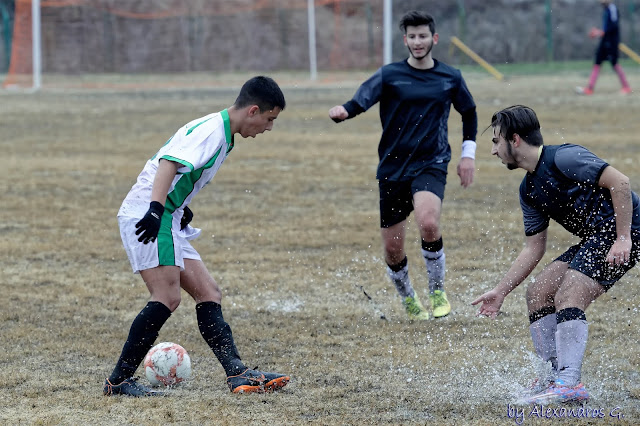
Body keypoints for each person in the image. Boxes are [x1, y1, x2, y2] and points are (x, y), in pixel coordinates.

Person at [104, 76, 290, 397]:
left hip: (167, 215)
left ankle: (237, 372)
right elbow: (167, 164)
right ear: (253, 111)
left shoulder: (222, 131)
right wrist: (155, 209)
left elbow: (180, 171)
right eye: (269, 119)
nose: (269, 127)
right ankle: (119, 380)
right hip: (150, 216)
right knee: (167, 297)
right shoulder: (212, 131)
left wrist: (180, 206)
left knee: (209, 292)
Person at [472, 105, 640, 404]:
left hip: (628, 231)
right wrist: (500, 292)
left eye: (496, 142)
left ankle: (569, 383)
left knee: (569, 295)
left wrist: (623, 238)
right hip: (597, 237)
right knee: (538, 293)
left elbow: (621, 182)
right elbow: (533, 248)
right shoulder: (528, 190)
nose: (493, 152)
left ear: (515, 140)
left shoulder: (564, 157)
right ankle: (551, 378)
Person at [328, 11, 477, 320]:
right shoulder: (390, 74)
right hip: (393, 168)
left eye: (423, 35)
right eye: (412, 36)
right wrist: (344, 110)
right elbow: (362, 99)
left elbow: (470, 112)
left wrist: (468, 155)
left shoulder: (450, 77)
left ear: (433, 39)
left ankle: (437, 291)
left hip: (431, 162)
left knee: (428, 222)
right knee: (393, 250)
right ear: (405, 40)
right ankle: (409, 298)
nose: (417, 41)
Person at [576, 0, 632, 95]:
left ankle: (626, 87)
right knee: (597, 62)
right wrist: (600, 33)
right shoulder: (606, 10)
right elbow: (607, 28)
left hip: (612, 42)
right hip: (604, 41)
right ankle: (590, 88)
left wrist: (600, 32)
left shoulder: (612, 9)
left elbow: (614, 26)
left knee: (614, 63)